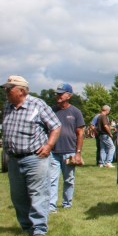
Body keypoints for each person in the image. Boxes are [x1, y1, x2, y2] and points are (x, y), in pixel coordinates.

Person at [2, 75, 61, 236]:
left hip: (35, 158)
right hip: (13, 158)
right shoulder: (7, 106)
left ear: (21, 91)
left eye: (9, 88)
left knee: (38, 193)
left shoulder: (37, 104)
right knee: (18, 195)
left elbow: (56, 126)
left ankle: (39, 229)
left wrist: (48, 146)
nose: (6, 91)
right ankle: (26, 226)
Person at [48, 83, 85, 211]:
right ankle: (51, 206)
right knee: (52, 180)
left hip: (69, 151)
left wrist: (78, 153)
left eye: (61, 93)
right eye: (57, 93)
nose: (58, 95)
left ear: (69, 95)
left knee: (69, 180)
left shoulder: (75, 112)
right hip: (53, 152)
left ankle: (67, 204)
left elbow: (80, 133)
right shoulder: (51, 111)